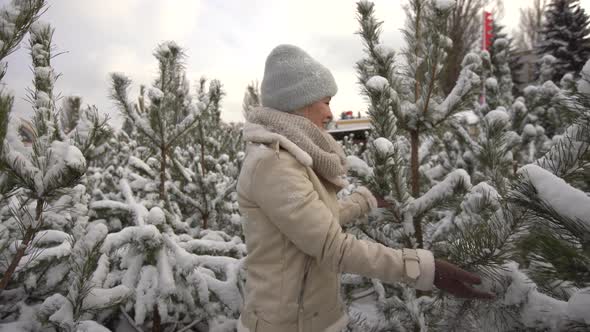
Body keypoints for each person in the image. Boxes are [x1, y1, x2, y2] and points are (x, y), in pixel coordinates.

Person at [236, 44, 493, 332]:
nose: (330, 114)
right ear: (301, 101)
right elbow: (333, 247)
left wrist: (364, 201)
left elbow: (316, 221)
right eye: (326, 101)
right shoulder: (275, 164)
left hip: (307, 318)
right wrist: (426, 270)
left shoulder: (289, 157)